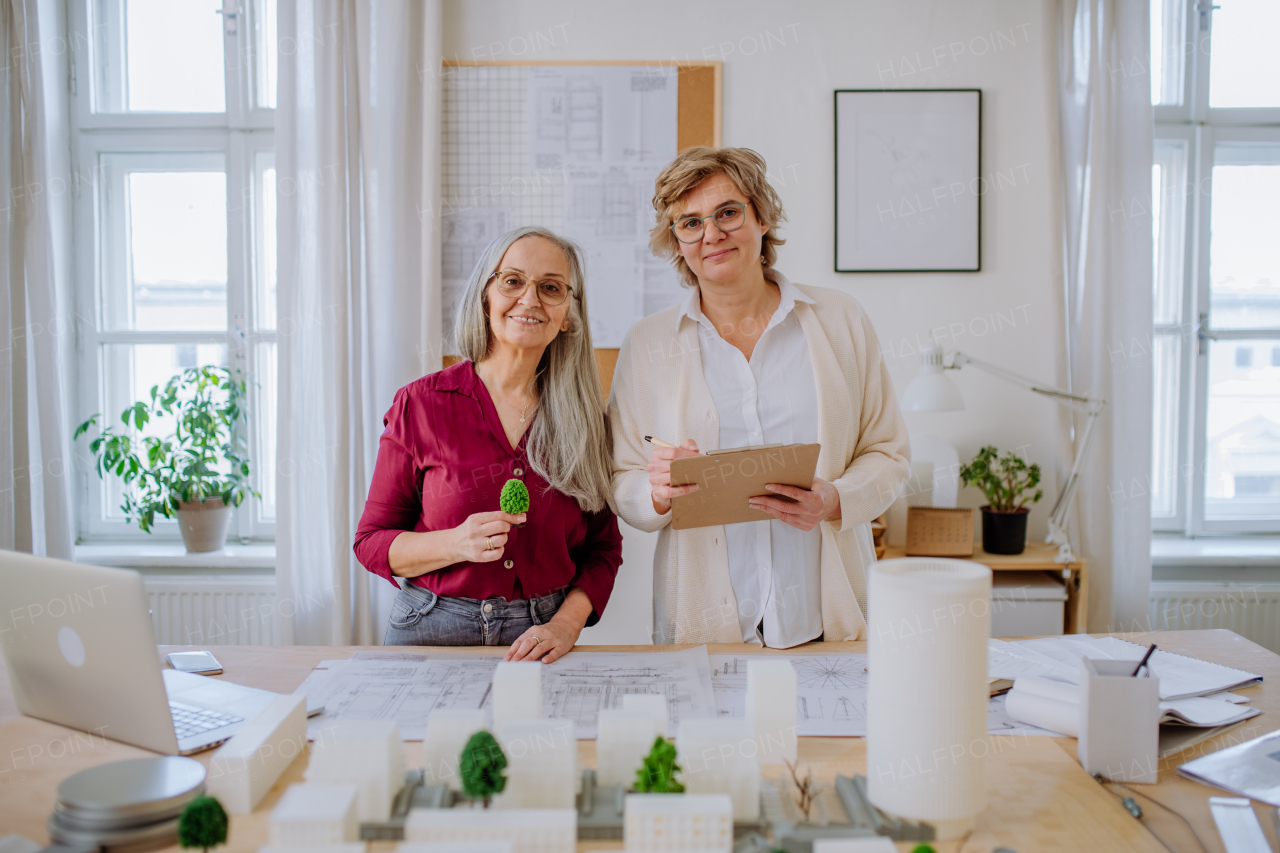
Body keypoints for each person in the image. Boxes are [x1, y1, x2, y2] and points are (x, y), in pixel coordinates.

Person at [609, 147, 910, 647]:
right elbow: (623, 480)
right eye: (689, 223)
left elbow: (889, 452)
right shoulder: (648, 343)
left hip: (824, 615)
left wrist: (836, 500)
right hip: (705, 623)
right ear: (676, 241)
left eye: (728, 212)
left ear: (762, 217)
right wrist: (657, 490)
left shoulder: (839, 320)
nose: (712, 234)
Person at [355, 226, 621, 662]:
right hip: (430, 629)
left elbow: (603, 550)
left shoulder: (588, 420)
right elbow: (370, 542)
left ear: (569, 314)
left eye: (550, 288)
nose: (530, 299)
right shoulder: (420, 404)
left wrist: (566, 624)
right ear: (485, 297)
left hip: (542, 638)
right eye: (512, 281)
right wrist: (454, 544)